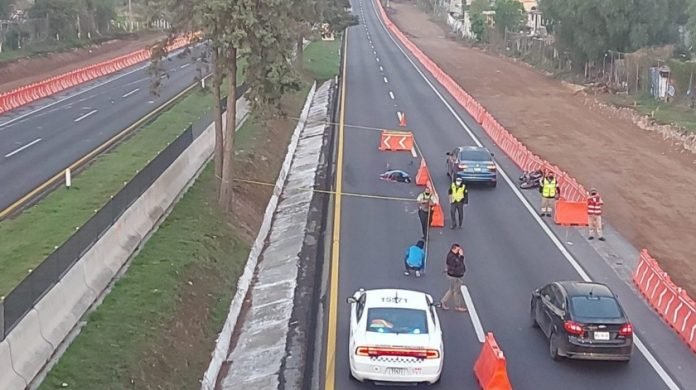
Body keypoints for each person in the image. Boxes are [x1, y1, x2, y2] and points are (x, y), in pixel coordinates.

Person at [440, 243, 467, 312]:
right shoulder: (452, 257)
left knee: (451, 289)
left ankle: (443, 301)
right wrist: (461, 256)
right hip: (454, 276)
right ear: (454, 249)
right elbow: (458, 263)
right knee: (456, 291)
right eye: (458, 249)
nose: (459, 251)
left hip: (453, 275)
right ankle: (457, 306)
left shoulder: (452, 255)